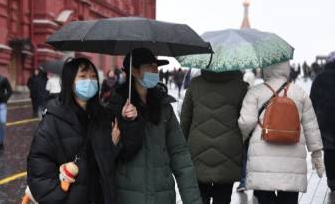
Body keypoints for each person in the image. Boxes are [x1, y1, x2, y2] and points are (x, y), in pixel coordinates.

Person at [27, 58, 138, 203]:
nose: (90, 81)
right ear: (70, 82)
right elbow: (39, 173)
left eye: (93, 77)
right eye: (83, 76)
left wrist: (128, 122)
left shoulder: (104, 117)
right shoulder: (53, 120)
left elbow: (125, 153)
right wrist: (63, 197)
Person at [107, 48, 202, 204]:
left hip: (162, 195)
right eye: (149, 67)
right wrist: (125, 122)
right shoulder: (114, 108)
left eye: (156, 67)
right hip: (127, 196)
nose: (155, 71)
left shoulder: (164, 107)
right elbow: (109, 154)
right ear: (134, 71)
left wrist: (193, 200)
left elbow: (179, 154)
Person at [238, 61, 324, 204]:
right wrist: (316, 152)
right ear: (286, 67)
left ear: (266, 68)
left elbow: (246, 122)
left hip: (262, 160)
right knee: (289, 199)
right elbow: (311, 125)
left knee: (265, 197)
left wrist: (244, 138)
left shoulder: (255, 92)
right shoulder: (299, 92)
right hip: (292, 160)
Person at [181, 70, 248, 203]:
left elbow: (185, 120)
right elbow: (245, 121)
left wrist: (182, 147)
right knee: (223, 197)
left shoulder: (195, 85)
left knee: (200, 197)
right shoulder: (240, 87)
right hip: (229, 150)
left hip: (198, 150)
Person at [310, 51, 335, 192]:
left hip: (325, 122)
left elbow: (312, 100)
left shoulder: (320, 78)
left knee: (329, 151)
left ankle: (331, 179)